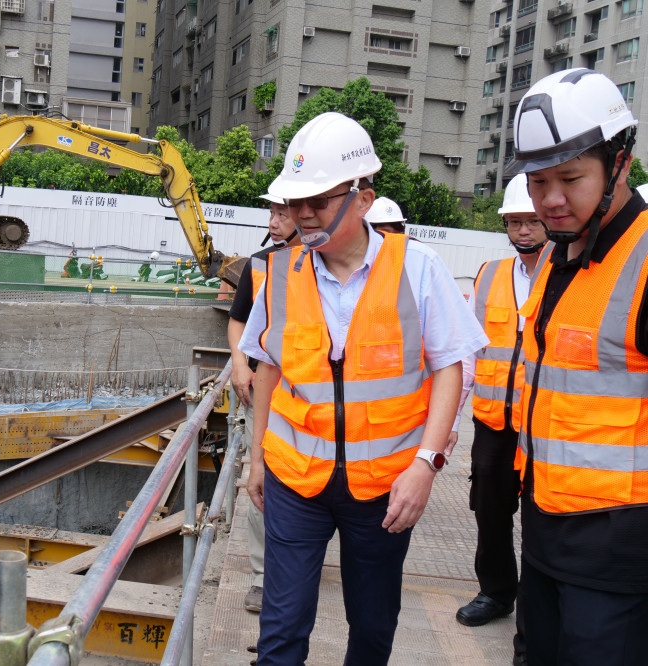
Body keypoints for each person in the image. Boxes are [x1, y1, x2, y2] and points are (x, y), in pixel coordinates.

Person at [240, 112, 487, 664]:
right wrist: (257, 459)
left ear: (362, 198)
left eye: (318, 202)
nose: (302, 215)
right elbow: (268, 369)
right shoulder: (280, 274)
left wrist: (425, 464)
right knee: (280, 630)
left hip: (384, 487)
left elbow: (451, 365)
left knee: (372, 627)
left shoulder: (417, 269)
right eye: (294, 203)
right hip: (294, 480)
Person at [511, 67, 648, 666]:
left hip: (618, 556)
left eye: (570, 178)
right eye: (538, 182)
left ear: (620, 161)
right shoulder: (562, 254)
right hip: (545, 532)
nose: (550, 201)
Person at [453, 174, 544, 665]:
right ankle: (496, 591)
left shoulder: (567, 272)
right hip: (493, 422)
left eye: (532, 220)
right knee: (489, 510)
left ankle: (536, 602)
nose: (524, 230)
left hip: (544, 428)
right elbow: (470, 352)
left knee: (539, 517)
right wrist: (451, 420)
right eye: (515, 221)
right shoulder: (488, 275)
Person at [227, 192, 300, 613]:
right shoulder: (260, 263)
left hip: (314, 394)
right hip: (264, 387)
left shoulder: (324, 261)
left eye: (282, 212)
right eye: (271, 212)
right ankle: (263, 575)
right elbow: (239, 320)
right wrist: (240, 365)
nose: (275, 220)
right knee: (263, 475)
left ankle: (299, 555)